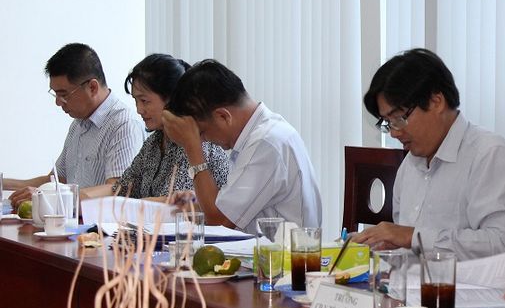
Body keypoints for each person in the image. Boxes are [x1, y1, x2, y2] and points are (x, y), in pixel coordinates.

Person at [351, 48, 505, 260]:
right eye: (388, 123)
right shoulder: (410, 164)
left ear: (436, 102)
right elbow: (405, 245)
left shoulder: (489, 154)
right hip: (411, 280)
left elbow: (504, 245)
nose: (394, 132)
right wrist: (380, 245)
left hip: (465, 282)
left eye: (399, 118)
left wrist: (412, 237)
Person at [161, 59, 321, 231]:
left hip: (282, 248)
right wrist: (196, 202)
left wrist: (192, 147)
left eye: (202, 133)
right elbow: (228, 207)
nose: (204, 141)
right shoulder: (261, 134)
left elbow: (219, 221)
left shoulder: (266, 142)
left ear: (223, 116)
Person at [76, 54, 230, 202]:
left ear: (171, 98)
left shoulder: (196, 140)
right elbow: (121, 189)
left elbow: (175, 204)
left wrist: (130, 205)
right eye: (136, 101)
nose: (139, 110)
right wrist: (74, 197)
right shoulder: (153, 142)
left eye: (144, 101)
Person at [8, 43, 145, 208]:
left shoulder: (124, 124)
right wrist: (5, 183)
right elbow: (56, 181)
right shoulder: (78, 124)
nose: (58, 102)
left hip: (101, 224)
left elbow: (117, 189)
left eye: (64, 95)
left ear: (92, 87)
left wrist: (48, 196)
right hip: (72, 221)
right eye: (55, 94)